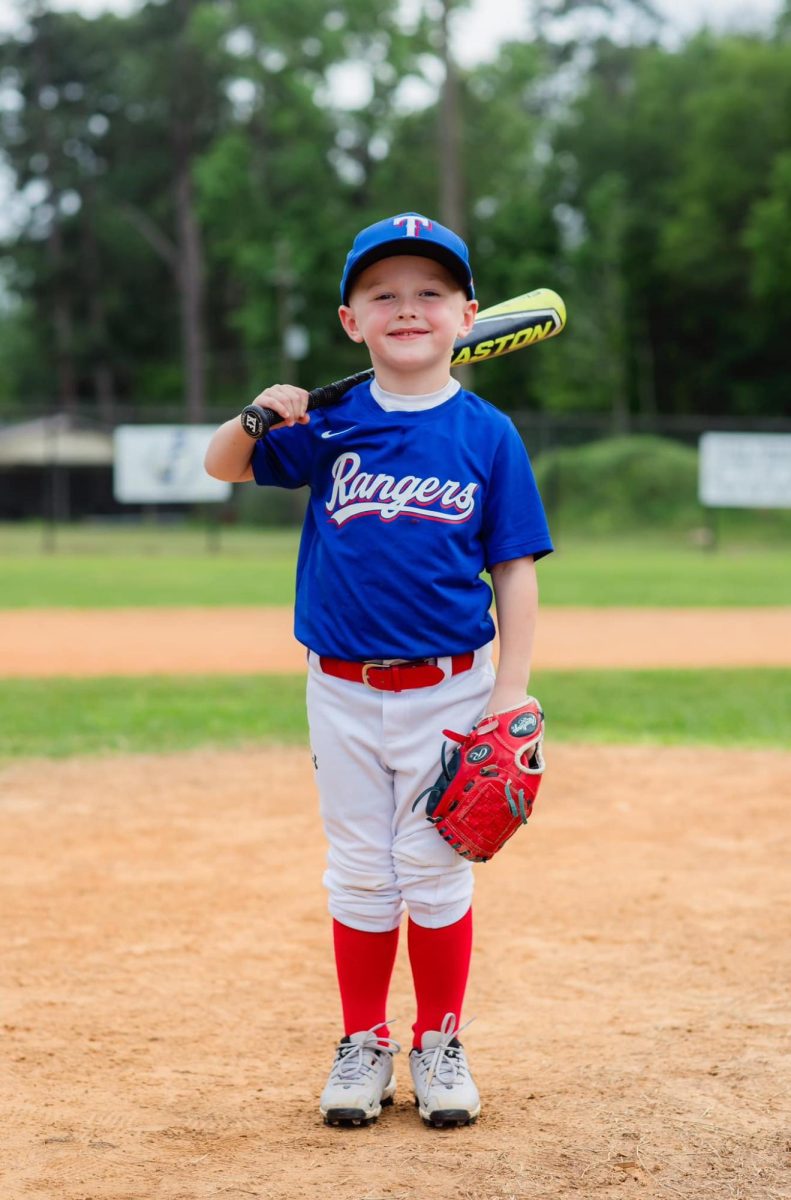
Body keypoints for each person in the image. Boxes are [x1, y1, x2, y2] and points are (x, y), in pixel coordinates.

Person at [204, 212, 553, 1128]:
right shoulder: (330, 425)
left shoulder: (486, 435)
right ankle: (362, 1043)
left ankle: (438, 1042)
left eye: (430, 293)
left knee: (434, 871)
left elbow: (512, 570)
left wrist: (508, 696)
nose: (408, 308)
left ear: (468, 315)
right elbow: (222, 466)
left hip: (453, 688)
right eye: (383, 295)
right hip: (343, 691)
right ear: (350, 321)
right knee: (361, 870)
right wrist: (258, 415)